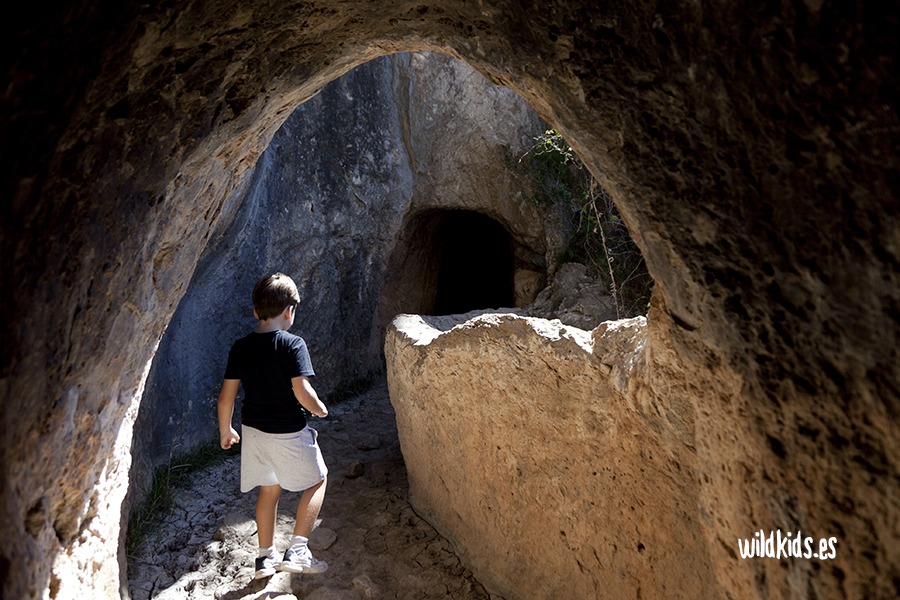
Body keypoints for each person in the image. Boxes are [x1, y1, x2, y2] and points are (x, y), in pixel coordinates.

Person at [217, 272, 330, 579]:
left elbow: (226, 397)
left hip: (253, 432)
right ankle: (298, 549)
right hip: (288, 431)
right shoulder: (293, 344)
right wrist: (319, 409)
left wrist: (225, 430)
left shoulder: (240, 347)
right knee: (318, 480)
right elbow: (301, 390)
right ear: (289, 311)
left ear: (256, 311)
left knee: (268, 491)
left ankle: (264, 559)